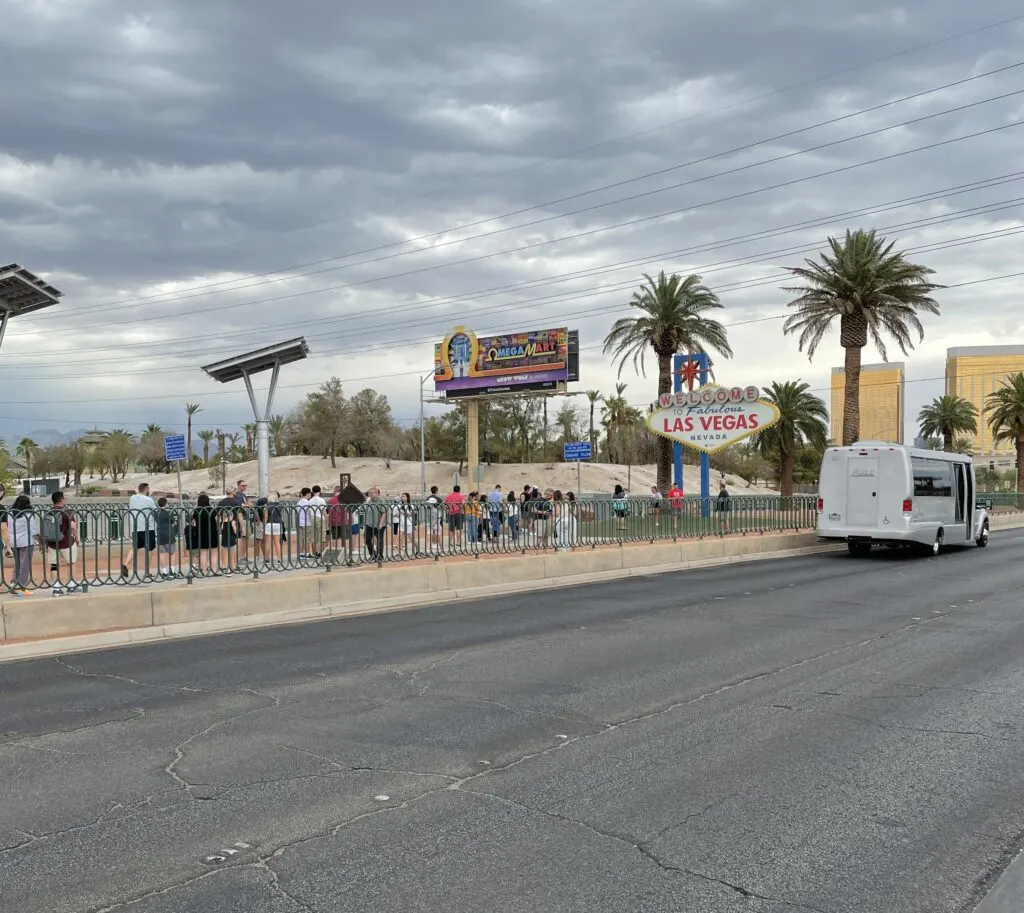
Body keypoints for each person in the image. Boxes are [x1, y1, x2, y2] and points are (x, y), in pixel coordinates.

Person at [43, 492, 79, 590]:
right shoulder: (68, 511)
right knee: (71, 563)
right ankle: (71, 585)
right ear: (62, 499)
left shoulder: (48, 512)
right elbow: (73, 527)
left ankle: (56, 587)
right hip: (67, 542)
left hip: (52, 543)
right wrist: (77, 537)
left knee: (54, 564)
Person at [124, 482, 157, 579]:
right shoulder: (148, 499)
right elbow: (155, 511)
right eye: (148, 489)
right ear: (146, 489)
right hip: (147, 528)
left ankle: (125, 564)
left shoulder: (132, 498)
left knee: (135, 547)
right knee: (149, 549)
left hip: (135, 527)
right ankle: (147, 571)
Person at [7, 494, 39, 595]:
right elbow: (34, 531)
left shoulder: (9, 514)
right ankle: (22, 586)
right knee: (25, 564)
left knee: (17, 564)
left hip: (13, 541)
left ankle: (14, 583)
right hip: (26, 542)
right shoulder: (28, 515)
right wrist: (41, 542)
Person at [188, 493, 219, 574]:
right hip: (212, 533)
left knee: (203, 553)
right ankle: (214, 570)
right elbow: (215, 516)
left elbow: (192, 520)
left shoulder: (196, 510)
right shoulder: (211, 509)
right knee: (214, 552)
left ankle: (204, 571)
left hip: (201, 533)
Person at [154, 497, 179, 578]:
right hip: (169, 534)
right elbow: (173, 522)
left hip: (160, 534)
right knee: (172, 553)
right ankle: (172, 570)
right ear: (166, 503)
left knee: (162, 553)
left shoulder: (156, 513)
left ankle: (164, 571)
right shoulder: (169, 512)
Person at [362, 487, 387, 561]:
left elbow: (384, 513)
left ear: (376, 493)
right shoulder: (369, 500)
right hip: (369, 524)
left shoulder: (381, 501)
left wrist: (381, 524)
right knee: (366, 538)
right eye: (370, 493)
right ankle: (373, 554)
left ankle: (380, 556)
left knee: (379, 540)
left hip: (378, 524)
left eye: (372, 493)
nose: (370, 495)